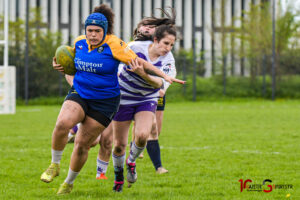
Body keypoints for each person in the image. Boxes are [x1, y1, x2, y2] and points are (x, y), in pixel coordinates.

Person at [40, 4, 180, 195]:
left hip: (120, 100)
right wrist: (62, 66)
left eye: (97, 31)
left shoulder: (117, 45)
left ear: (104, 31)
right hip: (96, 94)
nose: (93, 35)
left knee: (94, 142)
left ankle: (73, 180)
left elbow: (146, 70)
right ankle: (56, 164)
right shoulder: (81, 43)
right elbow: (73, 63)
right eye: (89, 30)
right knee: (68, 125)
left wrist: (161, 77)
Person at [112, 23, 180, 192]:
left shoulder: (168, 60)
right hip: (124, 97)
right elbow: (116, 64)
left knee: (142, 135)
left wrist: (142, 73)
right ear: (156, 40)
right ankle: (118, 176)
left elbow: (159, 85)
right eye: (165, 43)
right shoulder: (134, 47)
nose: (168, 48)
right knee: (119, 145)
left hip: (146, 98)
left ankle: (131, 162)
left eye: (171, 45)